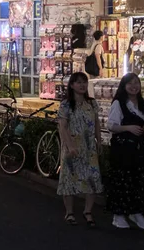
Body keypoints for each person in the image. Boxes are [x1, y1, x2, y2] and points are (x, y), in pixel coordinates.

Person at [106, 73, 144, 230]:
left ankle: (136, 211)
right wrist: (128, 128)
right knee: (122, 180)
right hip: (123, 149)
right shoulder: (119, 104)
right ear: (124, 86)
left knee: (139, 180)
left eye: (136, 83)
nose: (134, 86)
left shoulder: (142, 103)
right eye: (130, 83)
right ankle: (118, 214)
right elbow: (111, 125)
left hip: (139, 148)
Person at [57, 71, 103, 227]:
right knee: (69, 179)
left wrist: (99, 140)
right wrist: (70, 145)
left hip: (89, 146)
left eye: (84, 82)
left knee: (92, 178)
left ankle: (88, 211)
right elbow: (62, 127)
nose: (82, 85)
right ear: (71, 85)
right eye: (78, 82)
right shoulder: (65, 104)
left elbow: (96, 122)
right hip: (72, 146)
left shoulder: (91, 103)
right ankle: (69, 212)